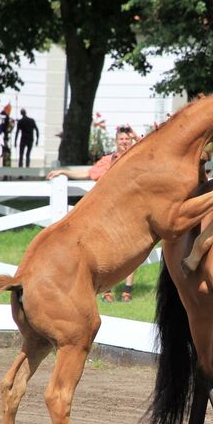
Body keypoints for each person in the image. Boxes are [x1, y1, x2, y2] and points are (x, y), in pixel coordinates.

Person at [47, 125, 139, 302]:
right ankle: (107, 290)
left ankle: (127, 290)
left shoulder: (137, 155)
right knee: (110, 249)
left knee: (131, 251)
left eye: (127, 139)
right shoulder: (108, 160)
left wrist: (136, 138)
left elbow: (154, 152)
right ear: (116, 141)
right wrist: (64, 171)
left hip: (131, 210)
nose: (125, 142)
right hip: (111, 211)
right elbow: (88, 173)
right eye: (122, 139)